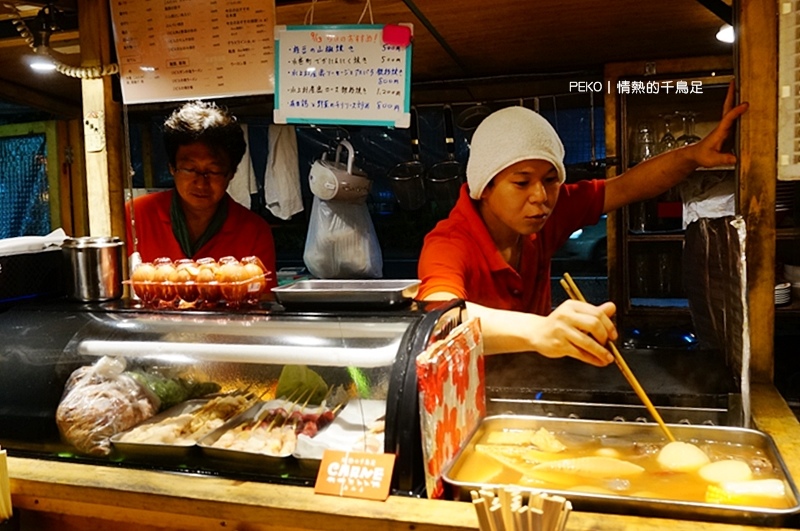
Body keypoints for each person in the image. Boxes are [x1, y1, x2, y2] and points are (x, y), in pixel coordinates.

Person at [417, 83, 748, 367]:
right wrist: (540, 330)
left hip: (531, 380)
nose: (541, 197)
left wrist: (693, 155)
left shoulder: (547, 213)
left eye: (550, 180)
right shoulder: (449, 242)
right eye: (521, 182)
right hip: (465, 393)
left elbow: (627, 186)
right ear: (484, 187)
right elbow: (442, 319)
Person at [125, 100, 277, 288]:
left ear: (231, 174)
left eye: (213, 171)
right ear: (172, 168)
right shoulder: (134, 215)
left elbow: (263, 300)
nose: (201, 182)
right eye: (190, 169)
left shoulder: (254, 231)